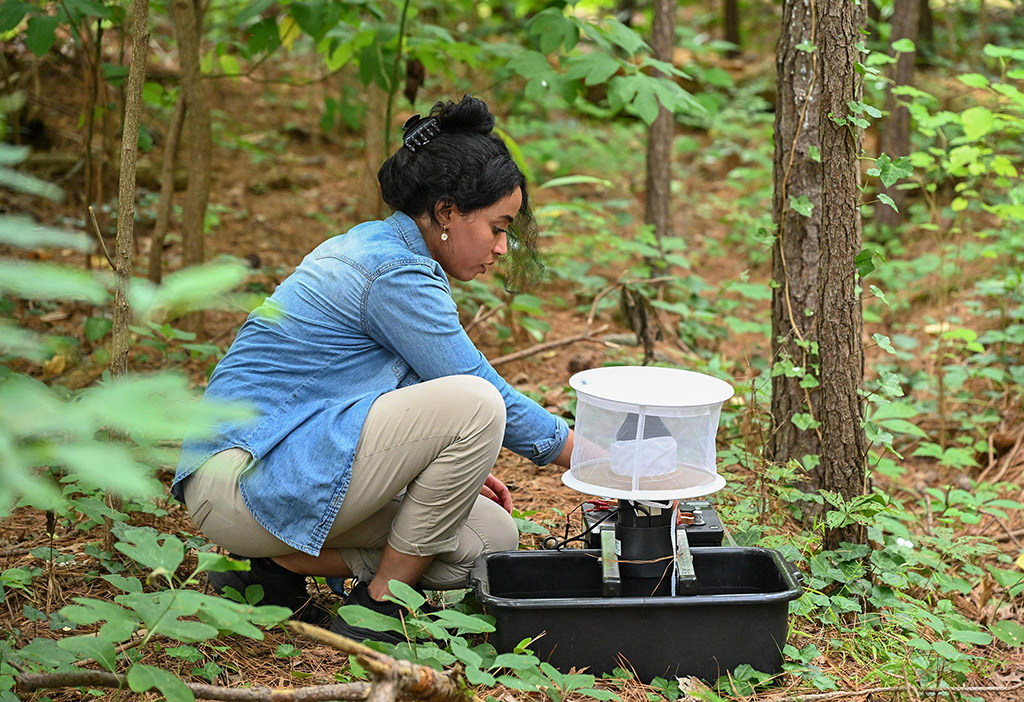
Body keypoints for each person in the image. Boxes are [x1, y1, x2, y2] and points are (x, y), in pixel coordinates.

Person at [170, 95, 575, 642]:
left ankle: (277, 570)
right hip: (241, 479)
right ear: (448, 212)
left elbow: (380, 388)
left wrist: (449, 468)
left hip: (291, 465)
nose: (503, 247)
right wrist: (592, 457)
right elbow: (479, 393)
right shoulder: (392, 270)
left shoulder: (384, 249)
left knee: (489, 540)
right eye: (499, 227)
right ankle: (379, 607)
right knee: (476, 405)